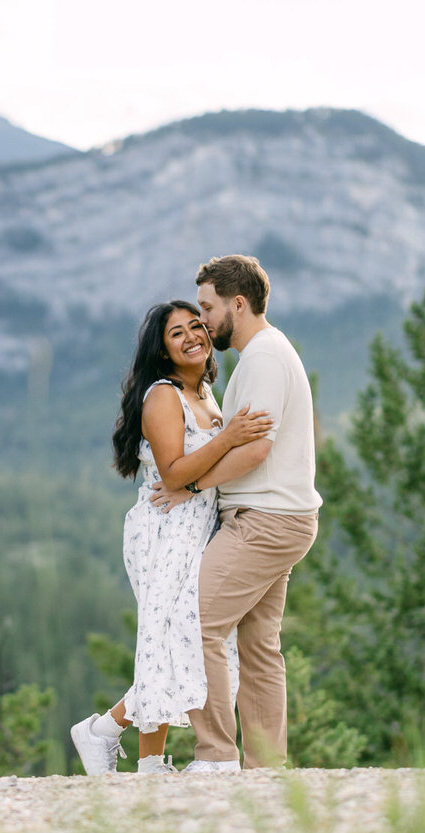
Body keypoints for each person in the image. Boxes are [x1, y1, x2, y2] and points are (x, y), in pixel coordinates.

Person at [71, 300, 272, 775]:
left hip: (199, 526)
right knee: (166, 640)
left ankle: (103, 731)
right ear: (162, 352)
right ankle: (150, 763)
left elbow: (198, 475)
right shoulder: (164, 395)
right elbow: (174, 473)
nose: (191, 337)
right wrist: (231, 436)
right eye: (176, 333)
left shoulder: (204, 393)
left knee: (182, 641)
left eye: (196, 326)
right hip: (165, 528)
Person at [152, 255, 321, 771]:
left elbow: (255, 449)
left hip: (266, 522)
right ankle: (267, 768)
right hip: (283, 519)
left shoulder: (265, 356)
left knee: (193, 620)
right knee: (260, 648)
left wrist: (193, 483)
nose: (203, 322)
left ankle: (217, 755)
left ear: (238, 304)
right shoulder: (265, 354)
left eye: (207, 308)